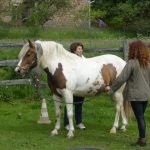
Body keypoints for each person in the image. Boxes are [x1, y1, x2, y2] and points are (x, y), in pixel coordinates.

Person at [105, 40, 150, 147]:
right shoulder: (148, 63)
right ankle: (141, 138)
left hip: (135, 95)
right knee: (141, 117)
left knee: (140, 118)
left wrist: (111, 89)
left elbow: (121, 78)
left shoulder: (132, 63)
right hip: (146, 95)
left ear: (133, 50)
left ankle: (142, 140)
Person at [64, 42, 86, 130]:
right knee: (69, 104)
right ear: (74, 50)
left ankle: (79, 122)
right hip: (71, 86)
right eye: (79, 49)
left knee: (79, 104)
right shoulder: (69, 60)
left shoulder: (85, 60)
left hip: (81, 86)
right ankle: (67, 123)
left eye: (81, 49)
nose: (81, 50)